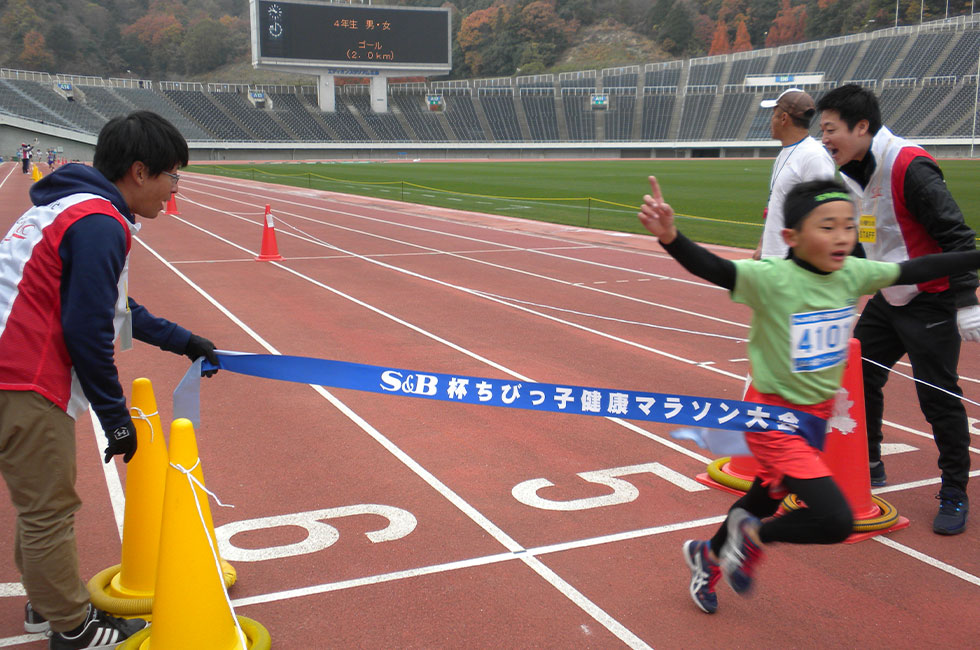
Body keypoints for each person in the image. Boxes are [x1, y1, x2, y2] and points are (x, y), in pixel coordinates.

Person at [636, 176, 980, 614]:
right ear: (791, 237)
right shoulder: (771, 278)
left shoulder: (853, 273)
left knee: (765, 496)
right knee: (835, 520)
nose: (841, 237)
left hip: (813, 421)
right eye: (826, 226)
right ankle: (753, 538)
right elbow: (716, 269)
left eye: (848, 226)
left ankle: (707, 556)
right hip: (774, 419)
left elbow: (918, 269)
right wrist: (671, 237)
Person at [0, 111, 220, 649]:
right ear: (140, 172)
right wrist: (117, 420)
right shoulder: (100, 222)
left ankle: (46, 602)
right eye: (173, 175)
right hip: (21, 377)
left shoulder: (70, 207)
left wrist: (183, 340)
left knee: (37, 504)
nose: (174, 191)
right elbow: (88, 328)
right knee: (49, 508)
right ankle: (72, 628)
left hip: (11, 368)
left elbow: (114, 307)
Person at [817, 84, 977, 535]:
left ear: (862, 126)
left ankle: (953, 491)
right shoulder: (849, 174)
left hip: (933, 297)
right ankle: (869, 462)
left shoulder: (909, 166)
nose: (825, 138)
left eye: (830, 129)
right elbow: (864, 245)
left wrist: (966, 300)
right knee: (857, 372)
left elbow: (959, 237)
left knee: (938, 397)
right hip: (889, 297)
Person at [753, 88, 835, 260]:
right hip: (774, 258)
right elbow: (776, 205)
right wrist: (763, 245)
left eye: (774, 115)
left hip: (792, 262)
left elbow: (823, 213)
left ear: (784, 118)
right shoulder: (785, 153)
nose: (771, 120)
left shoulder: (814, 156)